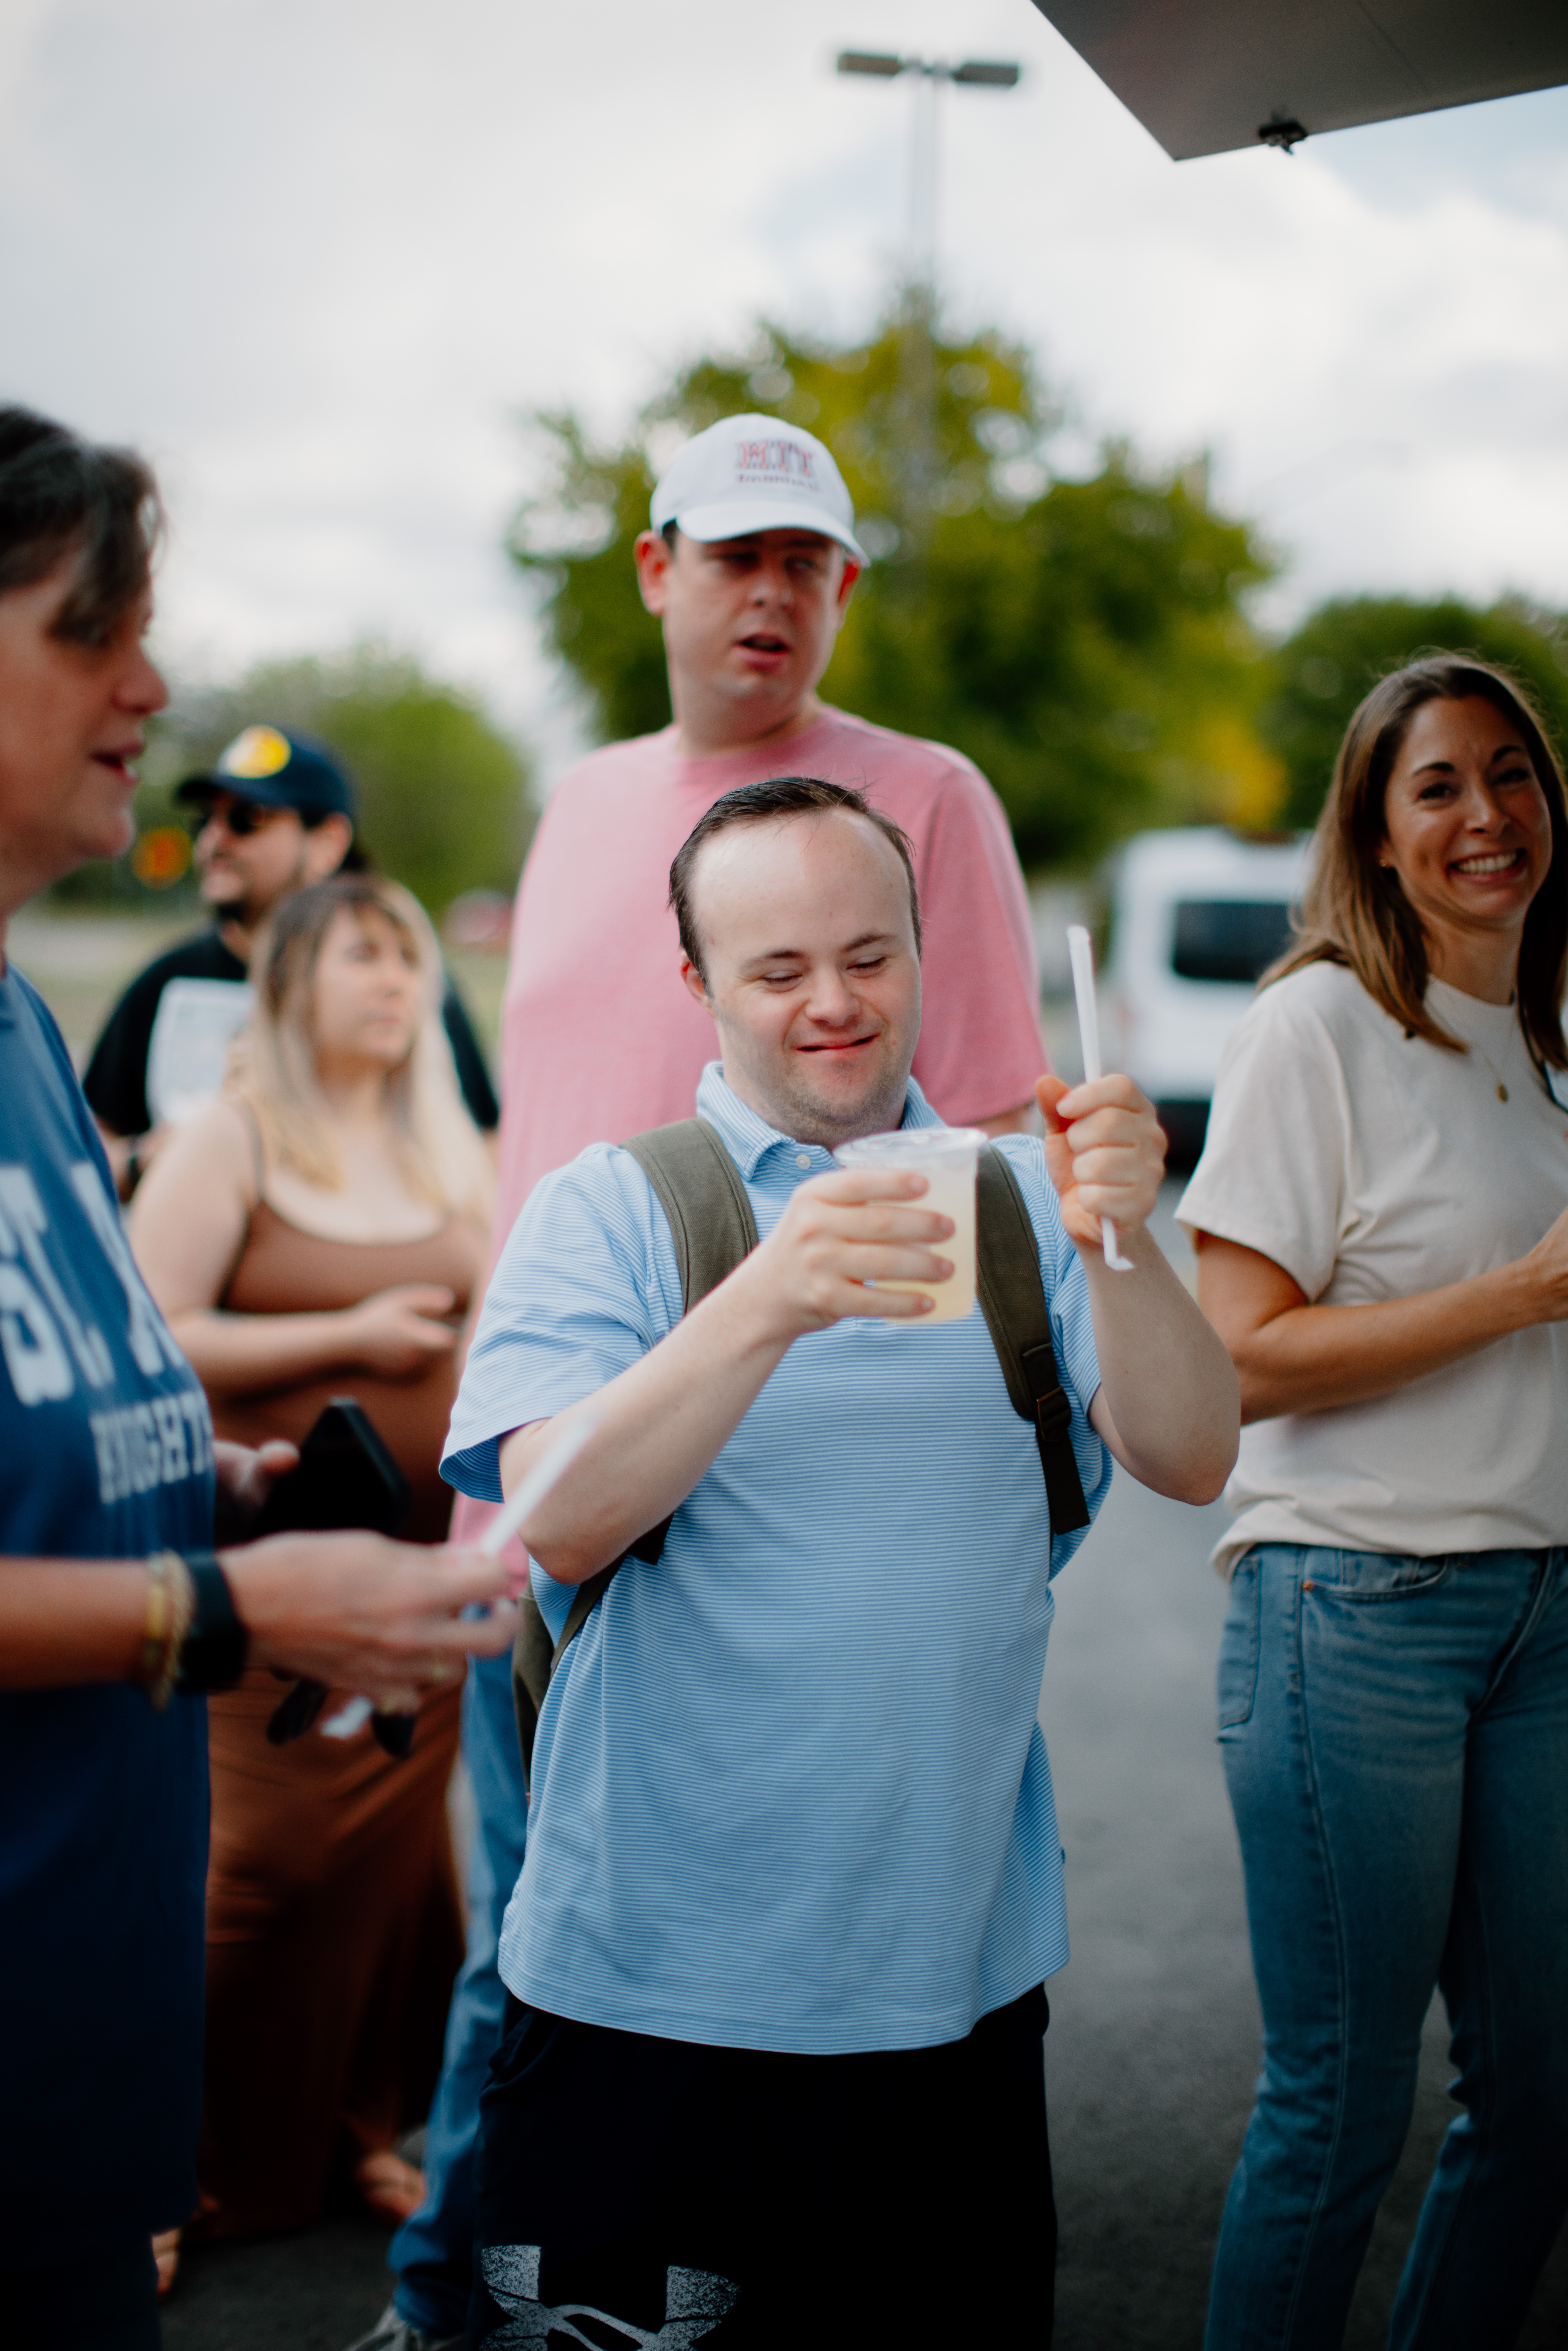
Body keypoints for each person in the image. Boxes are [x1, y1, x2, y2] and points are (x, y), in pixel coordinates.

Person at [364, 414, 1053, 2350]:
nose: (772, 590)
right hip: (554, 1476)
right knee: (528, 1945)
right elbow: (541, 1152)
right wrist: (497, 1472)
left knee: (723, 1995)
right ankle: (452, 2304)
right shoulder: (582, 803)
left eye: (808, 560)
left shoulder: (922, 795)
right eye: (734, 553)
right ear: (655, 570)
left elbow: (986, 1147)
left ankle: (517, 2301)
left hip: (781, 1513)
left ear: (841, 588)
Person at [442, 775, 1239, 2346]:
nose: (833, 1005)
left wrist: (1125, 1238)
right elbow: (559, 1525)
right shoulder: (606, 1213)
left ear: (923, 953)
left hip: (952, 1999)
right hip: (643, 2006)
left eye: (868, 956)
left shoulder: (1025, 1201)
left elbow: (1192, 1453)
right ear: (698, 987)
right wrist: (768, 1294)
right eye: (777, 969)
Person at [0, 402, 517, 2351]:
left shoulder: (32, 1038)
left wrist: (205, 1479)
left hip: (71, 2095)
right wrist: (220, 1603)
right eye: (91, 628)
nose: (151, 685)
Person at [1177, 658, 1568, 2350]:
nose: (1482, 815)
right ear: (1376, 831)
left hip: (1544, 1619)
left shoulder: (1552, 1034)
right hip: (1354, 1616)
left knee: (1544, 2106)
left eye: (1509, 773)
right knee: (1335, 2114)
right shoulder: (1313, 1026)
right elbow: (1231, 1366)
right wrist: (1517, 1293)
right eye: (1435, 787)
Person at [128, 872, 495, 2254]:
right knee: (250, 1882)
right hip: (266, 1593)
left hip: (422, 1585)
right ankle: (159, 2172)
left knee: (394, 1889)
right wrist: (346, 1334)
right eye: (361, 956)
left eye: (409, 955)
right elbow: (152, 1337)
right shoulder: (230, 1138)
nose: (397, 981)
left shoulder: (454, 1143)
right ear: (292, 982)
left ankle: (348, 2133)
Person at [83, 723, 498, 1196]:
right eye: (205, 822)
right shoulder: (169, 979)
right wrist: (148, 1163)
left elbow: (488, 1150)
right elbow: (80, 1152)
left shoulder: (405, 986)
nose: (215, 843)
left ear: (327, 843)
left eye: (246, 819)